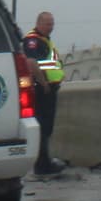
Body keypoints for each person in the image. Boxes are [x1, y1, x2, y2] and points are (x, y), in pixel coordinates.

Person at [23, 11, 65, 175]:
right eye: (48, 23)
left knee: (47, 127)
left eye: (52, 23)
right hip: (42, 89)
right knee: (42, 126)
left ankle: (45, 161)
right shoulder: (33, 40)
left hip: (49, 88)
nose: (51, 27)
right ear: (39, 23)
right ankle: (42, 165)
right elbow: (31, 62)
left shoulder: (45, 40)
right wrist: (43, 83)